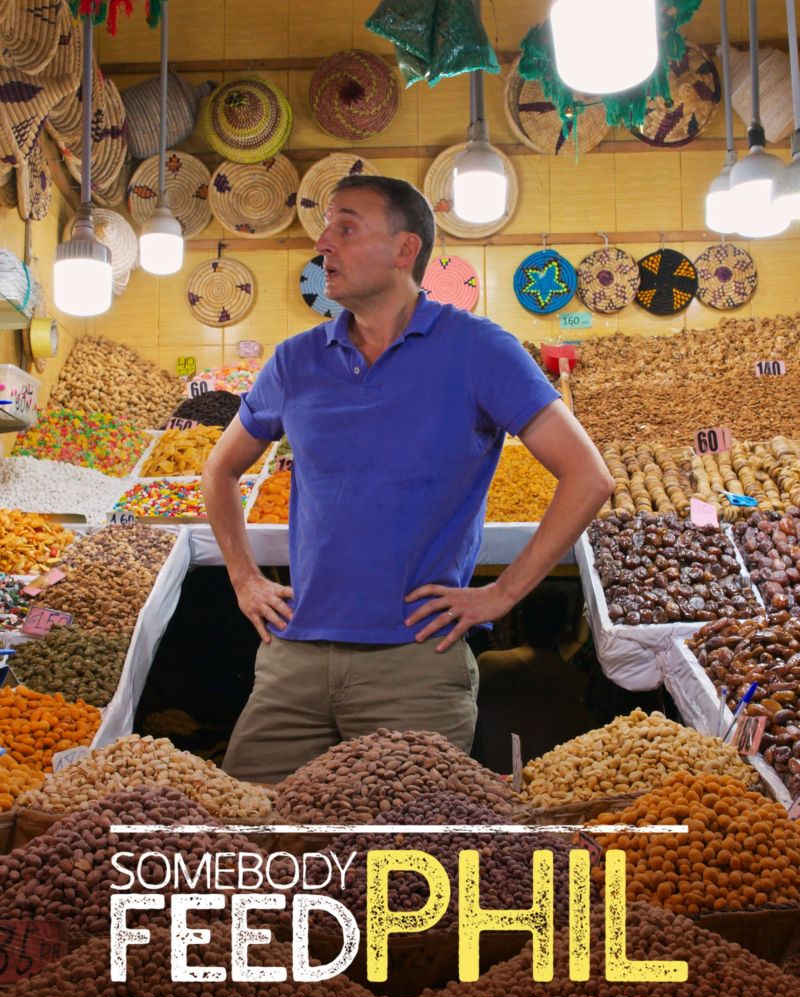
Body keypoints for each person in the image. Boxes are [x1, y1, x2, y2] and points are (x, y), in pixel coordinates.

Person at [202, 174, 614, 783]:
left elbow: (588, 476)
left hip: (415, 664)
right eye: (327, 227)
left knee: (406, 836)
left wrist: (501, 595)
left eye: (346, 228)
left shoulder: (478, 349)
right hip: (293, 657)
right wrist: (243, 577)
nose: (323, 242)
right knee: (253, 826)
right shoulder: (295, 360)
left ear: (405, 249)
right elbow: (219, 469)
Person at [471, 585, 595, 774]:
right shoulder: (574, 680)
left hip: (489, 776)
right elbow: (577, 639)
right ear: (563, 627)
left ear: (520, 621)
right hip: (553, 778)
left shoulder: (490, 664)